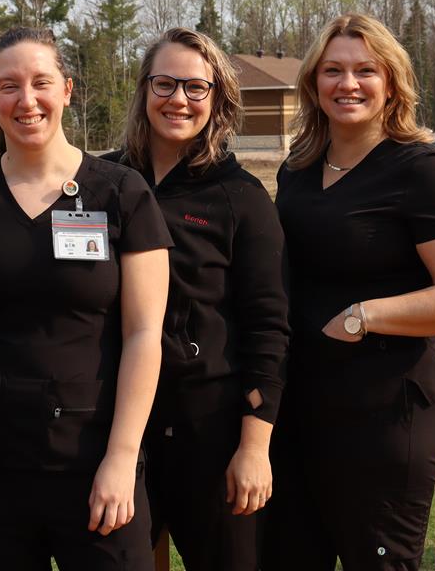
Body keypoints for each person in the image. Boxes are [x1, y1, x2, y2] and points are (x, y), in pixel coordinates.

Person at [0, 27, 172, 570]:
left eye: (41, 82)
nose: (26, 100)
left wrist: (121, 459)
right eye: (8, 86)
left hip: (94, 459)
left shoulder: (121, 193)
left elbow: (144, 334)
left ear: (67, 89)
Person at [263, 13, 435, 571]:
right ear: (313, 84)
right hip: (301, 408)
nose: (348, 84)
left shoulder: (423, 171)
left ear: (391, 81)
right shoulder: (297, 170)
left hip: (387, 412)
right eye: (333, 70)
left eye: (366, 70)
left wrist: (362, 316)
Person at [105, 28, 290, 570]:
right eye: (164, 84)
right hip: (116, 427)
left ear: (218, 99)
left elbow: (269, 328)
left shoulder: (241, 199)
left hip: (210, 433)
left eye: (195, 87)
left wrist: (254, 449)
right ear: (143, 91)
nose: (178, 100)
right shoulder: (103, 181)